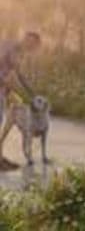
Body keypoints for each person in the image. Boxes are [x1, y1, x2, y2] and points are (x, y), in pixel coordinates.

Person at [0, 32, 41, 170]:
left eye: (34, 47)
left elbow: (19, 74)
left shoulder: (20, 53)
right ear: (26, 38)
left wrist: (32, 93)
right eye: (31, 44)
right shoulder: (8, 45)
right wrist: (3, 79)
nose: (31, 48)